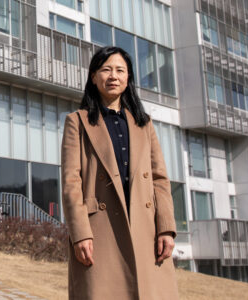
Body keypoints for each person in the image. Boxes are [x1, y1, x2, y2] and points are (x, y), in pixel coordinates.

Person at [61, 46, 179, 299]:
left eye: (120, 70)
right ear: (94, 77)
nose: (113, 76)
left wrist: (166, 228)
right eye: (106, 69)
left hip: (146, 229)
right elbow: (72, 182)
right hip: (99, 230)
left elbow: (159, 179)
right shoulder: (78, 121)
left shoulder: (144, 123)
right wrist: (80, 233)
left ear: (128, 78)